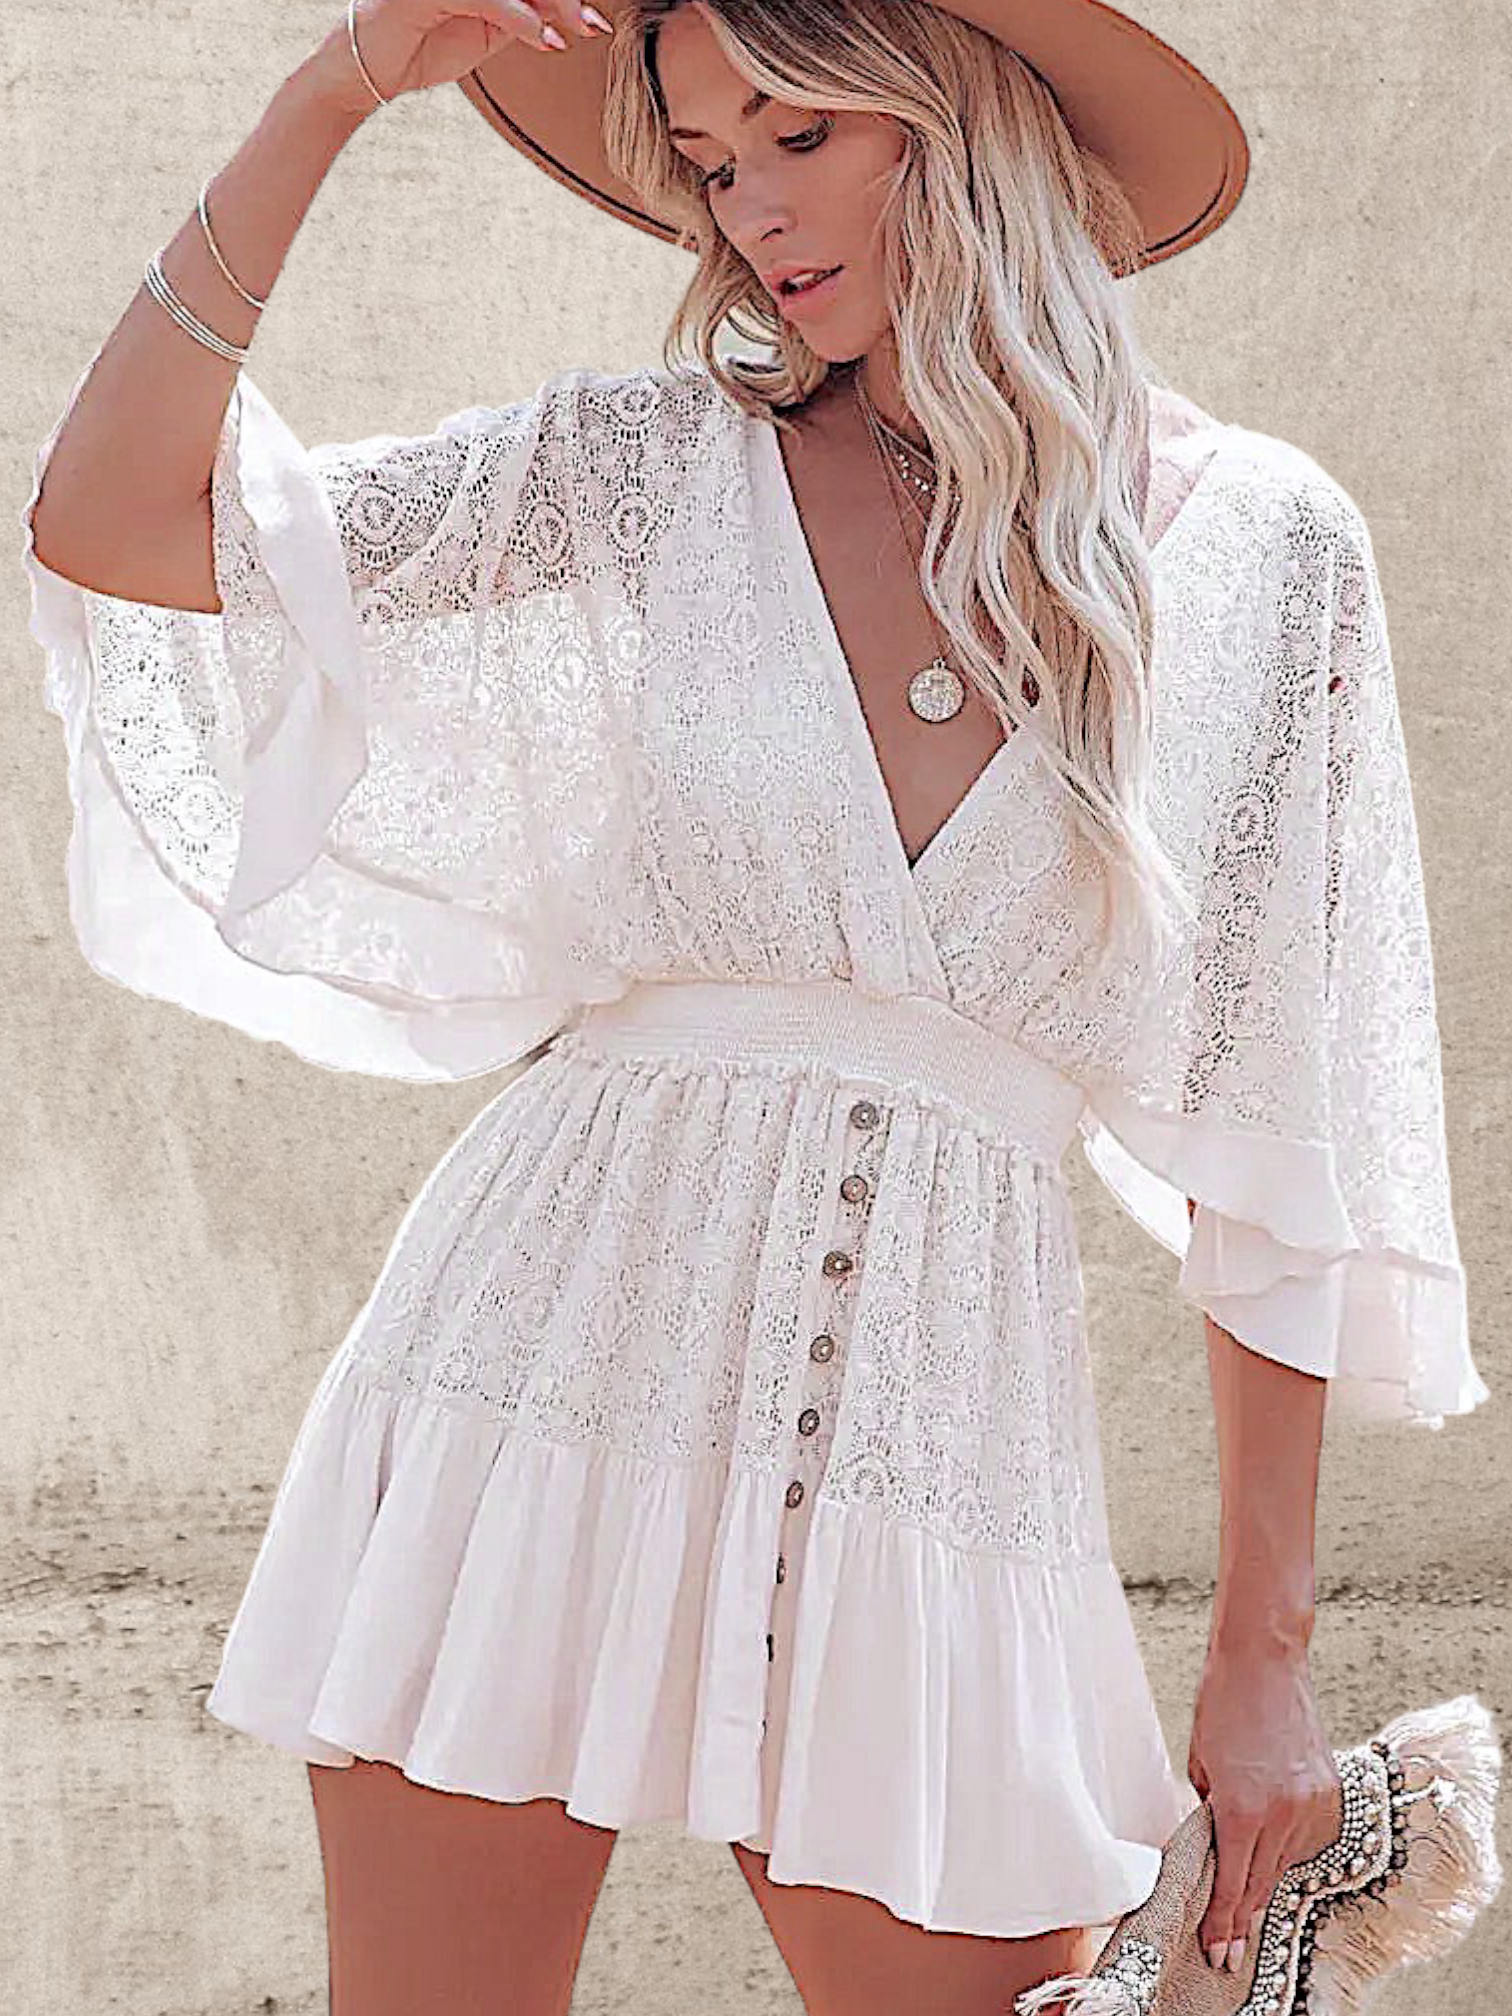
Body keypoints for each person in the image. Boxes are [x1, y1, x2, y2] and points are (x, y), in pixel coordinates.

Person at [20, 1, 1489, 2012]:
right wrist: (329, 94)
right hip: (534, 1370)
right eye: (713, 163)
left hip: (938, 1439)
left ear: (962, 122)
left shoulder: (1264, 554)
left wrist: (1265, 1660)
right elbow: (111, 524)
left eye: (801, 135)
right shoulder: (645, 471)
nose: (752, 212)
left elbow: (1281, 1140)